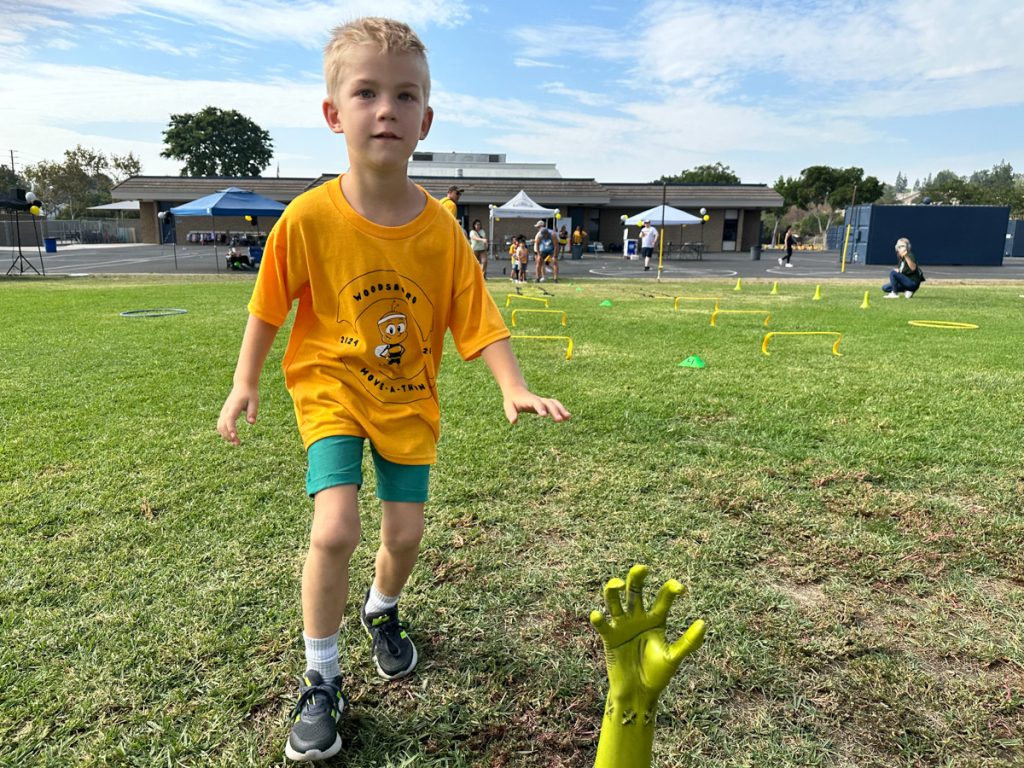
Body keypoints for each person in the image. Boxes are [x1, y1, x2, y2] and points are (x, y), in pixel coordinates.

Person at [216, 17, 570, 763]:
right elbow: (269, 305)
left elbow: (479, 317)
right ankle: (321, 676)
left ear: (425, 120)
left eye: (404, 95)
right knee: (337, 528)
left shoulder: (442, 230)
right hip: (332, 392)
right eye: (367, 91)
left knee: (402, 537)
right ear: (333, 113)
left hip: (408, 402)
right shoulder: (308, 217)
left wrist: (514, 384)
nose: (386, 108)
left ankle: (383, 610)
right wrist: (245, 382)